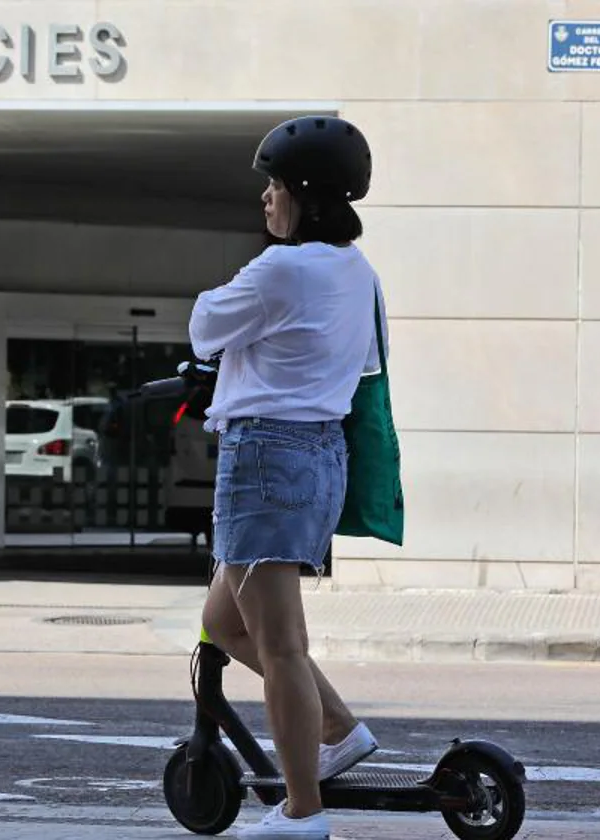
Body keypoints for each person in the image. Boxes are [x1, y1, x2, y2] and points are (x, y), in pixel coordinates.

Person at [188, 116, 387, 839]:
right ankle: (336, 729)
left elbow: (206, 327)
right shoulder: (356, 272)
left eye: (274, 186)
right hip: (318, 454)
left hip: (266, 458)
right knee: (220, 621)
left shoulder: (282, 269)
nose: (266, 200)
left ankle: (303, 810)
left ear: (305, 193)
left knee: (281, 646)